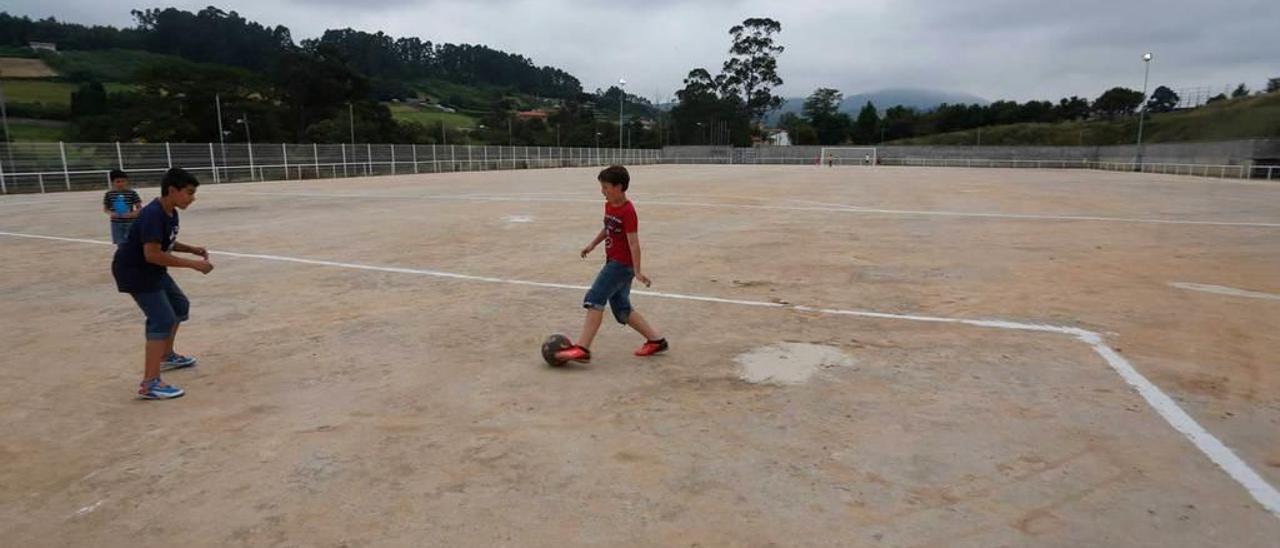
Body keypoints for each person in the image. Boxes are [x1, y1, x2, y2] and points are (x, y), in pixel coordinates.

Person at [111, 167, 214, 399]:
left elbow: (165, 241)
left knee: (179, 306)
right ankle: (150, 383)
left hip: (151, 269)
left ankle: (166, 355)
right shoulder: (153, 214)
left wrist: (192, 249)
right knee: (161, 318)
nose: (192, 198)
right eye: (189, 192)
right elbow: (153, 254)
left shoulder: (170, 211)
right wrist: (193, 264)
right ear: (172, 190)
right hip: (135, 271)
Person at [555, 165, 667, 363]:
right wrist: (592, 245)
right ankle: (656, 340)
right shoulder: (609, 205)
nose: (602, 191)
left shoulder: (628, 211)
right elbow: (608, 228)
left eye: (606, 187)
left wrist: (637, 271)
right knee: (622, 309)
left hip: (621, 265)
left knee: (595, 298)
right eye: (602, 187)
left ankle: (582, 348)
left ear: (620, 187)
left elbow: (634, 243)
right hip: (614, 262)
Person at [103, 169, 142, 245]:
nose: (121, 183)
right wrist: (112, 213)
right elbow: (105, 209)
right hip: (116, 223)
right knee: (120, 243)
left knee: (132, 242)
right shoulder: (109, 194)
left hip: (130, 222)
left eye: (123, 181)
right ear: (112, 182)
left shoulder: (132, 193)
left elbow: (139, 207)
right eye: (118, 181)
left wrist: (133, 214)